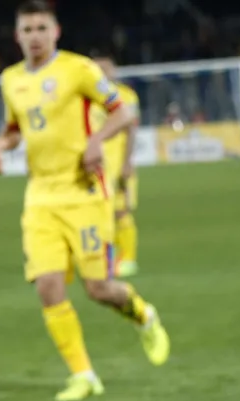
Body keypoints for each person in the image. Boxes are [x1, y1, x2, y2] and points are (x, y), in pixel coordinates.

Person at [0, 2, 169, 401]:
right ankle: (84, 376)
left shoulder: (78, 69)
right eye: (27, 29)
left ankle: (143, 314)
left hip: (84, 192)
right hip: (40, 197)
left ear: (56, 31)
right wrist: (0, 145)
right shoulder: (11, 79)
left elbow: (123, 111)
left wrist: (96, 141)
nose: (34, 36)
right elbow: (15, 128)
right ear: (17, 36)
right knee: (48, 286)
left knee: (99, 288)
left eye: (41, 28)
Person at [93, 57, 141, 276]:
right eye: (99, 69)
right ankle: (108, 261)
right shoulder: (88, 98)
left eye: (107, 69)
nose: (103, 73)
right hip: (97, 165)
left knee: (121, 211)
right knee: (101, 214)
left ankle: (129, 259)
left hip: (118, 162)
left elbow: (131, 130)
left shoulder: (127, 96)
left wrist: (127, 161)